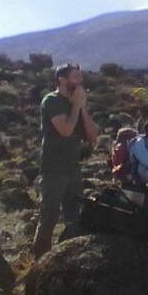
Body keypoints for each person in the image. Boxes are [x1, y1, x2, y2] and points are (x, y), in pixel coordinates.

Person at [33, 62, 98, 257]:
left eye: (81, 77)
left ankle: (71, 257)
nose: (80, 80)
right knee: (49, 216)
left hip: (72, 167)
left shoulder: (75, 105)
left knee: (75, 214)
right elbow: (66, 130)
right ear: (62, 80)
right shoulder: (51, 101)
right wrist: (77, 106)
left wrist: (82, 108)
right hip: (54, 167)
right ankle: (39, 261)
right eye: (76, 77)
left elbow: (93, 136)